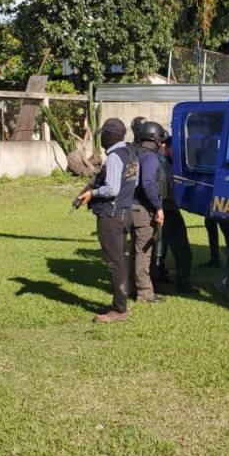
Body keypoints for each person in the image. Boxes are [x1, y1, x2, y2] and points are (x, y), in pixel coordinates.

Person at [75, 118, 140, 323]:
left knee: (115, 262)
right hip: (125, 213)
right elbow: (133, 182)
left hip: (111, 216)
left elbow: (112, 189)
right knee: (121, 260)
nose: (102, 138)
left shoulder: (113, 157)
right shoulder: (131, 154)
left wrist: (92, 194)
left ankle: (119, 309)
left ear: (110, 136)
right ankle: (119, 303)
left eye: (104, 134)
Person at [129, 121, 166, 303]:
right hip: (143, 209)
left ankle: (129, 287)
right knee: (143, 252)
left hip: (128, 207)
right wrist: (158, 207)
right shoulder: (150, 157)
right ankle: (144, 293)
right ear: (156, 139)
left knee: (134, 250)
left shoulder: (133, 152)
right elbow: (148, 183)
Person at [159, 134, 195, 292]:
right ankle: (156, 281)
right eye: (176, 148)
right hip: (161, 210)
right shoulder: (159, 163)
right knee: (159, 251)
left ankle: (183, 281)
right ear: (166, 148)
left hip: (172, 210)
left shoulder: (179, 164)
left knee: (184, 251)